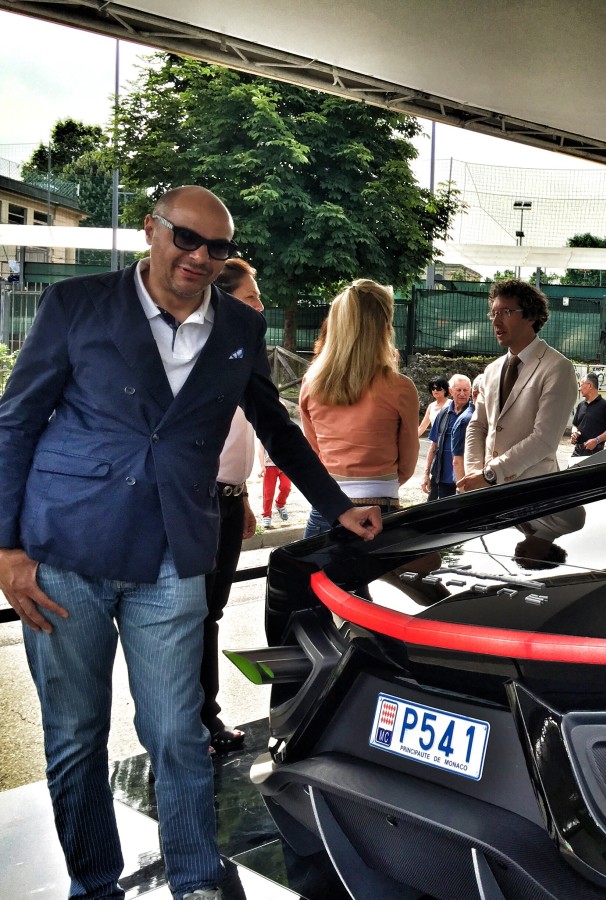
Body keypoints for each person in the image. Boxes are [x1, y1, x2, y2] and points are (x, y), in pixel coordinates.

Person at [0, 186, 381, 900]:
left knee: (177, 731)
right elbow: (15, 423)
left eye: (219, 248)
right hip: (64, 552)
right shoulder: (76, 305)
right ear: (151, 230)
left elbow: (276, 427)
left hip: (173, 553)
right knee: (76, 738)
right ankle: (94, 883)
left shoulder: (239, 327)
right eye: (186, 239)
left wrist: (336, 506)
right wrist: (5, 548)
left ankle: (198, 880)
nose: (200, 257)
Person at [300, 279, 420, 537]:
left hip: (328, 507)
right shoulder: (400, 388)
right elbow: (408, 464)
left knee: (322, 578)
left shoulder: (311, 383)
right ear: (385, 326)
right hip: (380, 508)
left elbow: (314, 452)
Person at [200, 258, 262, 755]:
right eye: (250, 298)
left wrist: (242, 497)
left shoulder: (243, 356)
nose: (260, 307)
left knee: (210, 613)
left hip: (228, 499)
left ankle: (204, 716)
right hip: (198, 502)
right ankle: (198, 720)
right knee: (193, 617)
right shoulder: (199, 356)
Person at [460, 280, 576, 490]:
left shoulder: (558, 368)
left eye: (505, 312)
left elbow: (544, 439)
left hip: (531, 495)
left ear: (531, 316)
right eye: (493, 314)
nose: (496, 322)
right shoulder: (492, 370)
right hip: (488, 494)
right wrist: (474, 475)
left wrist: (491, 474)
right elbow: (477, 426)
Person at [421, 373, 472, 500]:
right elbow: (433, 446)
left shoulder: (475, 415)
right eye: (458, 390)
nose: (462, 394)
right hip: (442, 478)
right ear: (450, 391)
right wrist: (426, 473)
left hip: (465, 478)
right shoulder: (443, 414)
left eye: (465, 390)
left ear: (470, 392)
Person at [570, 372, 606, 457]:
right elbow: (575, 425)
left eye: (581, 385)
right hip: (577, 451)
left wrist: (596, 440)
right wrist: (574, 433)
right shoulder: (581, 405)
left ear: (590, 385)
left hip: (595, 453)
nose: (579, 389)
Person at [452, 375, 483, 483]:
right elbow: (457, 460)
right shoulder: (468, 419)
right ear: (475, 395)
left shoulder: (478, 416)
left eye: (465, 390)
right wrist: (462, 491)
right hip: (468, 485)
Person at [258, 443, 291, 529]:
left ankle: (280, 504)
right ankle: (267, 515)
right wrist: (262, 466)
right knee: (268, 493)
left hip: (284, 465)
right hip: (269, 466)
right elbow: (261, 449)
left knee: (286, 487)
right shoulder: (264, 430)